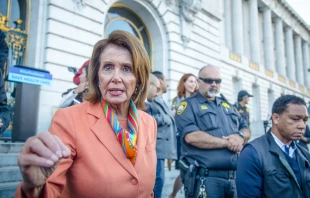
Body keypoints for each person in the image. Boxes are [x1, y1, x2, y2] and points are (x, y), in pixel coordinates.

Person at [15, 30, 157, 197]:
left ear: (139, 79)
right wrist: (33, 187)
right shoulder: (69, 119)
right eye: (108, 67)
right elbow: (50, 189)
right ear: (97, 76)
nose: (116, 77)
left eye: (127, 69)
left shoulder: (149, 122)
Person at [175, 65, 250, 198]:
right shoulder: (187, 105)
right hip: (206, 179)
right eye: (209, 80)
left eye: (218, 81)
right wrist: (227, 142)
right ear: (198, 82)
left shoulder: (227, 106)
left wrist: (240, 136)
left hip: (234, 178)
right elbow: (192, 137)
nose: (214, 84)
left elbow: (245, 128)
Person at [236, 95, 310, 198]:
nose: (302, 126)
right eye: (295, 119)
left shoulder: (305, 155)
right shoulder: (252, 153)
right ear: (275, 118)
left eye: (304, 120)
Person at [148, 71, 177, 198]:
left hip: (162, 147)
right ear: (159, 80)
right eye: (166, 80)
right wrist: (166, 117)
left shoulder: (159, 99)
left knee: (159, 179)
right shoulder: (151, 99)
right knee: (157, 180)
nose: (168, 84)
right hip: (157, 146)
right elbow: (148, 117)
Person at [169, 73, 198, 198]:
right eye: (191, 81)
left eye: (195, 82)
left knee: (193, 168)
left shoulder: (197, 98)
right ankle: (174, 194)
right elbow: (172, 116)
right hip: (180, 139)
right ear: (184, 83)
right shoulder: (177, 100)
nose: (193, 84)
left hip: (196, 137)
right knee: (184, 169)